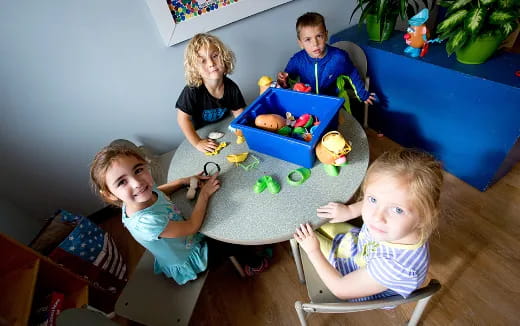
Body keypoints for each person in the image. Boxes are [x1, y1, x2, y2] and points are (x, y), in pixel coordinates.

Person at [90, 145, 268, 284]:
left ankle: (251, 249)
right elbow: (192, 226)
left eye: (138, 170)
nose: (137, 183)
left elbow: (160, 191)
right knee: (232, 239)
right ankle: (253, 265)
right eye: (122, 182)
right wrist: (204, 194)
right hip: (192, 255)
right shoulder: (146, 222)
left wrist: (183, 182)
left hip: (185, 240)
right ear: (110, 195)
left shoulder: (142, 194)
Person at [294, 148, 443, 301]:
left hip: (357, 279)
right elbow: (380, 201)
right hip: (361, 247)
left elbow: (341, 289)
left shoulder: (395, 267)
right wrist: (349, 211)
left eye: (397, 210)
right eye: (373, 200)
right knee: (311, 222)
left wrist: (313, 251)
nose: (377, 217)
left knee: (302, 231)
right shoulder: (396, 227)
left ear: (425, 217)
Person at [277, 12, 376, 104]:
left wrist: (363, 94)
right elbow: (288, 80)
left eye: (319, 36)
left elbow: (352, 72)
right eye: (308, 39)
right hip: (307, 101)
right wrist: (283, 80)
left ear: (326, 35)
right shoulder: (297, 60)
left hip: (332, 102)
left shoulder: (338, 58)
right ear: (300, 43)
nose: (315, 44)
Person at [176, 33, 246, 153]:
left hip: (224, 127)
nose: (211, 63)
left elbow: (238, 111)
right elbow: (183, 119)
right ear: (194, 68)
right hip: (201, 134)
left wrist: (244, 130)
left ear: (224, 57)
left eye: (215, 56)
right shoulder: (192, 91)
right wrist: (197, 142)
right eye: (202, 61)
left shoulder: (231, 87)